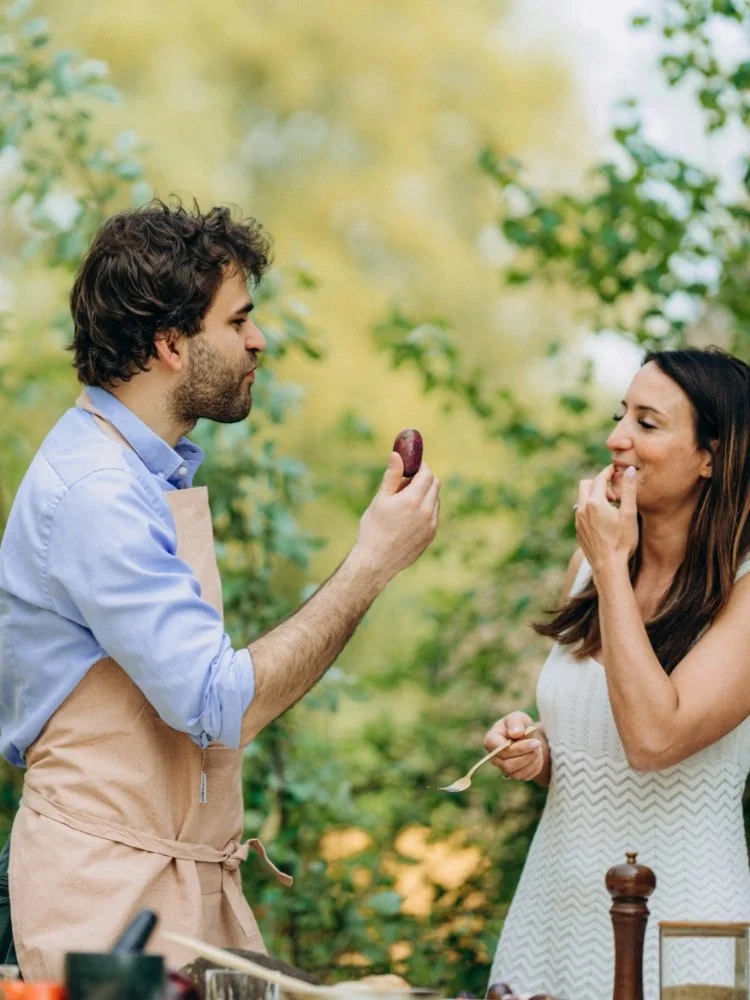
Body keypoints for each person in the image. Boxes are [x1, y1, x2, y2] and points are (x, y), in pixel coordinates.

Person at [0, 200, 441, 980]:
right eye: (239, 321)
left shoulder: (138, 472)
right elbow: (218, 703)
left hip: (169, 884)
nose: (258, 340)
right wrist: (371, 562)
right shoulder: (98, 492)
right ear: (170, 343)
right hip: (107, 912)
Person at [483, 348, 750, 1000]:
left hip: (679, 931)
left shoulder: (743, 590)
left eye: (648, 423)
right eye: (619, 414)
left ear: (711, 454)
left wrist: (609, 568)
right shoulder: (597, 561)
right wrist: (538, 751)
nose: (616, 437)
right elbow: (602, 735)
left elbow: (656, 738)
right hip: (554, 910)